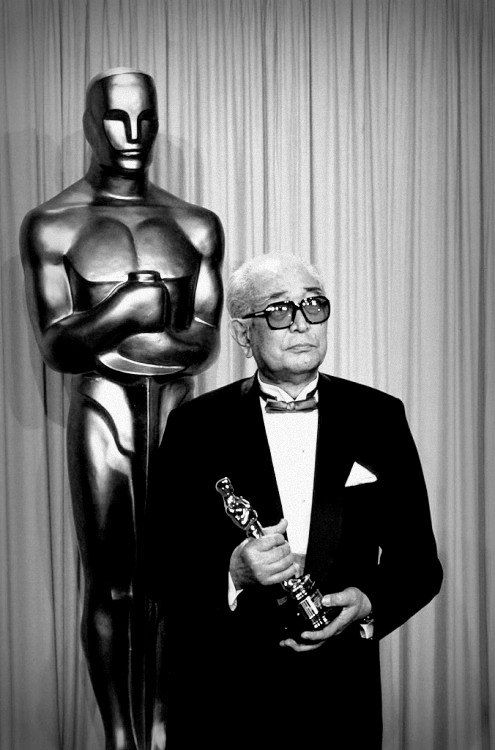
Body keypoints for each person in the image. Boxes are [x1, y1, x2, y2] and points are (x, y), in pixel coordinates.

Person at [149, 253, 442, 749]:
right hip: (222, 704)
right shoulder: (194, 427)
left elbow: (419, 565)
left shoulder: (380, 417)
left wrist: (370, 603)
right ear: (244, 335)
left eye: (314, 306)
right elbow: (156, 567)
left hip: (340, 705)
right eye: (280, 311)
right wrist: (232, 574)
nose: (302, 324)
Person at [20, 68, 223, 750]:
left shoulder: (194, 225)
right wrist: (127, 312)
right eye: (116, 119)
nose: (133, 136)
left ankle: (162, 730)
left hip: (177, 413)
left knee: (172, 582)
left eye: (145, 120)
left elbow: (203, 340)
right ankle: (116, 737)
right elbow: (57, 345)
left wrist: (125, 331)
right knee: (110, 586)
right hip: (103, 408)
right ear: (88, 123)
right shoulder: (53, 225)